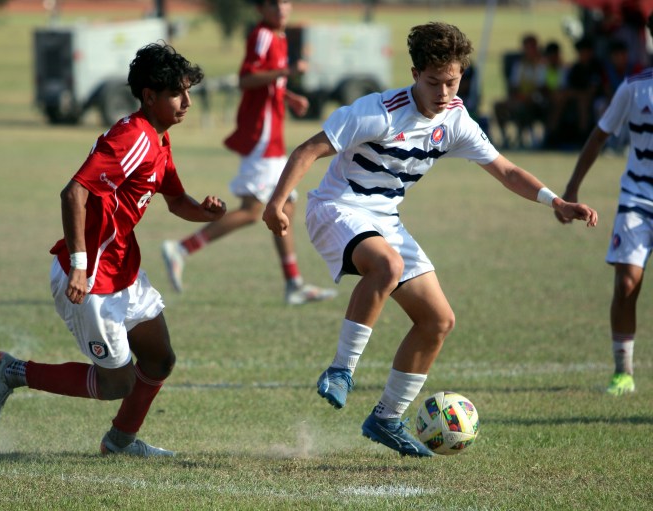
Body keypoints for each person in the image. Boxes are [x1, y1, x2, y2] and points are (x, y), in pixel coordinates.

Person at [263, 22, 598, 457]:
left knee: (438, 320)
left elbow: (507, 171)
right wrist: (274, 204)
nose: (443, 92)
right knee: (388, 266)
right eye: (434, 82)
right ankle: (342, 370)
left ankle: (386, 418)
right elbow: (307, 150)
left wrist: (555, 201)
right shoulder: (377, 110)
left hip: (385, 219)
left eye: (453, 82)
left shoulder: (455, 119)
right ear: (415, 73)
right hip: (335, 208)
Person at [0, 43, 227, 456]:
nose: (186, 103)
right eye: (176, 94)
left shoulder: (157, 140)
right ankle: (12, 371)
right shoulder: (133, 137)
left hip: (122, 270)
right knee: (118, 383)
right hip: (91, 281)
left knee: (160, 359)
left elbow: (177, 201)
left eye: (188, 92)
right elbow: (73, 192)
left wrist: (207, 213)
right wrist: (80, 265)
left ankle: (119, 443)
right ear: (149, 96)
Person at [161, 0, 336, 306]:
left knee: (286, 207)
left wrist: (289, 95)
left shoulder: (278, 36)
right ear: (262, 9)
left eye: (285, 2)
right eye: (274, 4)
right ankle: (183, 248)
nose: (282, 9)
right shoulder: (263, 36)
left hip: (272, 138)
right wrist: (286, 71)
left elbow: (268, 82)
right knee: (255, 210)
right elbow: (246, 79)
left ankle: (293, 282)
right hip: (261, 137)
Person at [555, 13, 653, 397]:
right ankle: (623, 371)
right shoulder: (634, 88)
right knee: (627, 282)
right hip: (637, 198)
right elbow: (598, 137)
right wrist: (572, 190)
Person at [493, 33, 548, 149]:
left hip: (537, 101)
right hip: (519, 98)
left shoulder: (542, 65)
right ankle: (505, 139)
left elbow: (541, 87)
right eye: (526, 47)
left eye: (532, 47)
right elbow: (514, 85)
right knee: (498, 105)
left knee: (523, 106)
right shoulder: (519, 65)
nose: (529, 50)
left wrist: (526, 96)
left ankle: (526, 137)